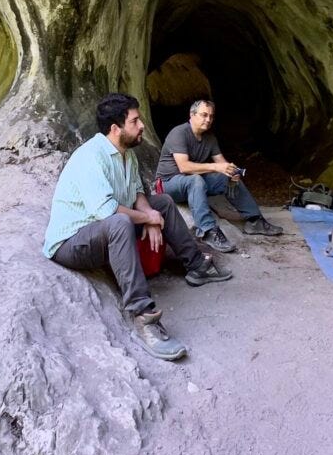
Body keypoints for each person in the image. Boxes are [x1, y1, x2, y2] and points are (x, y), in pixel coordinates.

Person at [43, 93, 233, 361]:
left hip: (104, 230)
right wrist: (147, 220)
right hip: (72, 242)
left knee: (163, 202)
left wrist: (151, 214)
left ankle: (197, 266)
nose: (142, 124)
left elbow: (136, 193)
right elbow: (106, 211)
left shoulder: (126, 154)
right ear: (115, 128)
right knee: (119, 221)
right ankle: (143, 316)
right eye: (135, 120)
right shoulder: (91, 156)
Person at [155, 99, 284, 253]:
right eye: (204, 115)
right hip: (167, 185)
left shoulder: (210, 138)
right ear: (192, 115)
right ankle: (208, 231)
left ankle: (255, 220)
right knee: (195, 180)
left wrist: (232, 172)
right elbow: (184, 167)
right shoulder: (179, 133)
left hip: (191, 182)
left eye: (211, 116)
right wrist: (216, 167)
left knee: (226, 178)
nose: (208, 119)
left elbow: (222, 163)